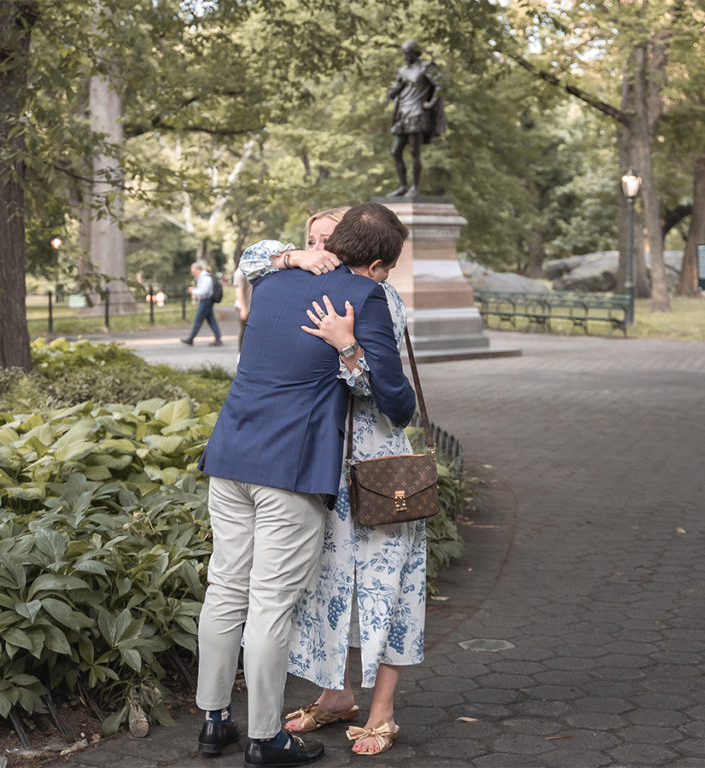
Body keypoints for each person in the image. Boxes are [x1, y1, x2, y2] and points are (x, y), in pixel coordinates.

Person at [195, 203, 416, 767]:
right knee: (270, 603)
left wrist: (290, 256)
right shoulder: (363, 298)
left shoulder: (272, 282)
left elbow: (254, 263)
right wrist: (348, 345)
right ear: (375, 261)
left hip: (230, 452)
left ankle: (214, 722)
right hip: (289, 468)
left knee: (224, 589)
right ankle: (266, 738)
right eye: (387, 266)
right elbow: (396, 402)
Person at [385, 39, 446, 197]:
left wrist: (431, 103)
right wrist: (391, 92)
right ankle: (403, 185)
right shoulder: (402, 71)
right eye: (404, 54)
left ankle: (415, 187)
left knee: (414, 151)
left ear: (415, 53)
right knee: (395, 151)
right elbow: (397, 88)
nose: (405, 57)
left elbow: (440, 85)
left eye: (408, 54)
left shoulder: (426, 67)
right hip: (402, 113)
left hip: (417, 112)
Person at [180, 261, 222, 346]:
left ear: (199, 269)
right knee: (211, 320)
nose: (193, 274)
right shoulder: (202, 278)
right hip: (205, 300)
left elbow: (204, 291)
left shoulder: (205, 278)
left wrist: (193, 291)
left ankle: (191, 338)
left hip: (206, 300)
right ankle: (218, 338)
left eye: (194, 272)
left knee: (198, 320)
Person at [232, 264, 252, 352]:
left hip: (252, 307)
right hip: (243, 307)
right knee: (244, 333)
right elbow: (239, 291)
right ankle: (241, 354)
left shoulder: (256, 268)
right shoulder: (240, 272)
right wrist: (243, 309)